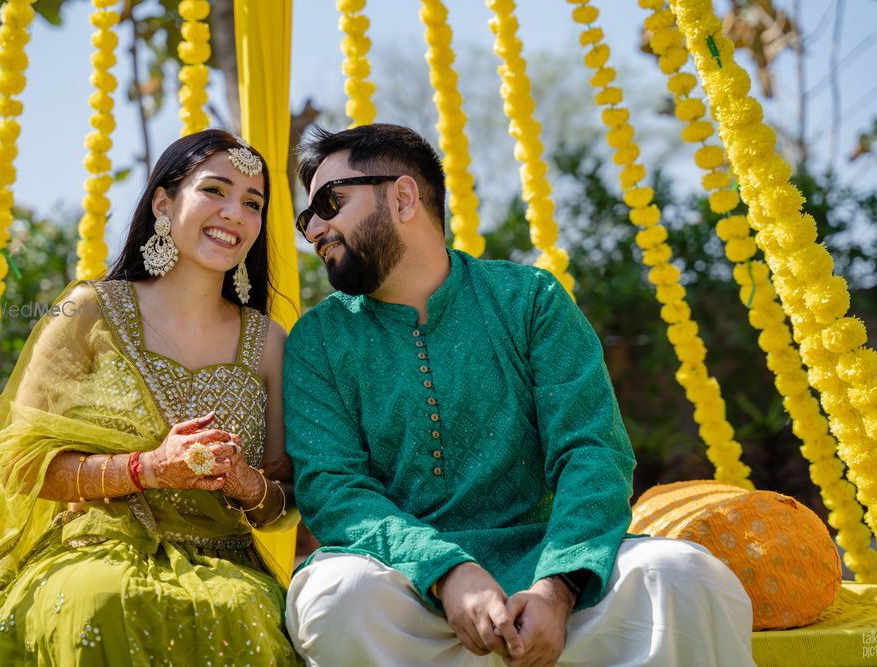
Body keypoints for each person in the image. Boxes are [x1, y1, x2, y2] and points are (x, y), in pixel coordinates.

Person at [283, 123, 756, 666]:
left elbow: (592, 451)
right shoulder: (318, 340)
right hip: (402, 584)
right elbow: (333, 488)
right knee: (339, 600)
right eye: (307, 216)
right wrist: (446, 571)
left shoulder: (528, 300)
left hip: (545, 567)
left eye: (329, 202)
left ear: (404, 196)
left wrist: (558, 586)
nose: (314, 227)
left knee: (685, 577)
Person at [0, 129, 301, 666]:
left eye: (253, 203)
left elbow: (285, 499)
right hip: (91, 551)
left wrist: (246, 483)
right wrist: (147, 468)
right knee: (98, 601)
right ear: (162, 202)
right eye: (215, 191)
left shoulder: (269, 342)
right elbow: (15, 464)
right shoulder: (87, 312)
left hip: (225, 565)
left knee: (246, 612)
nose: (234, 214)